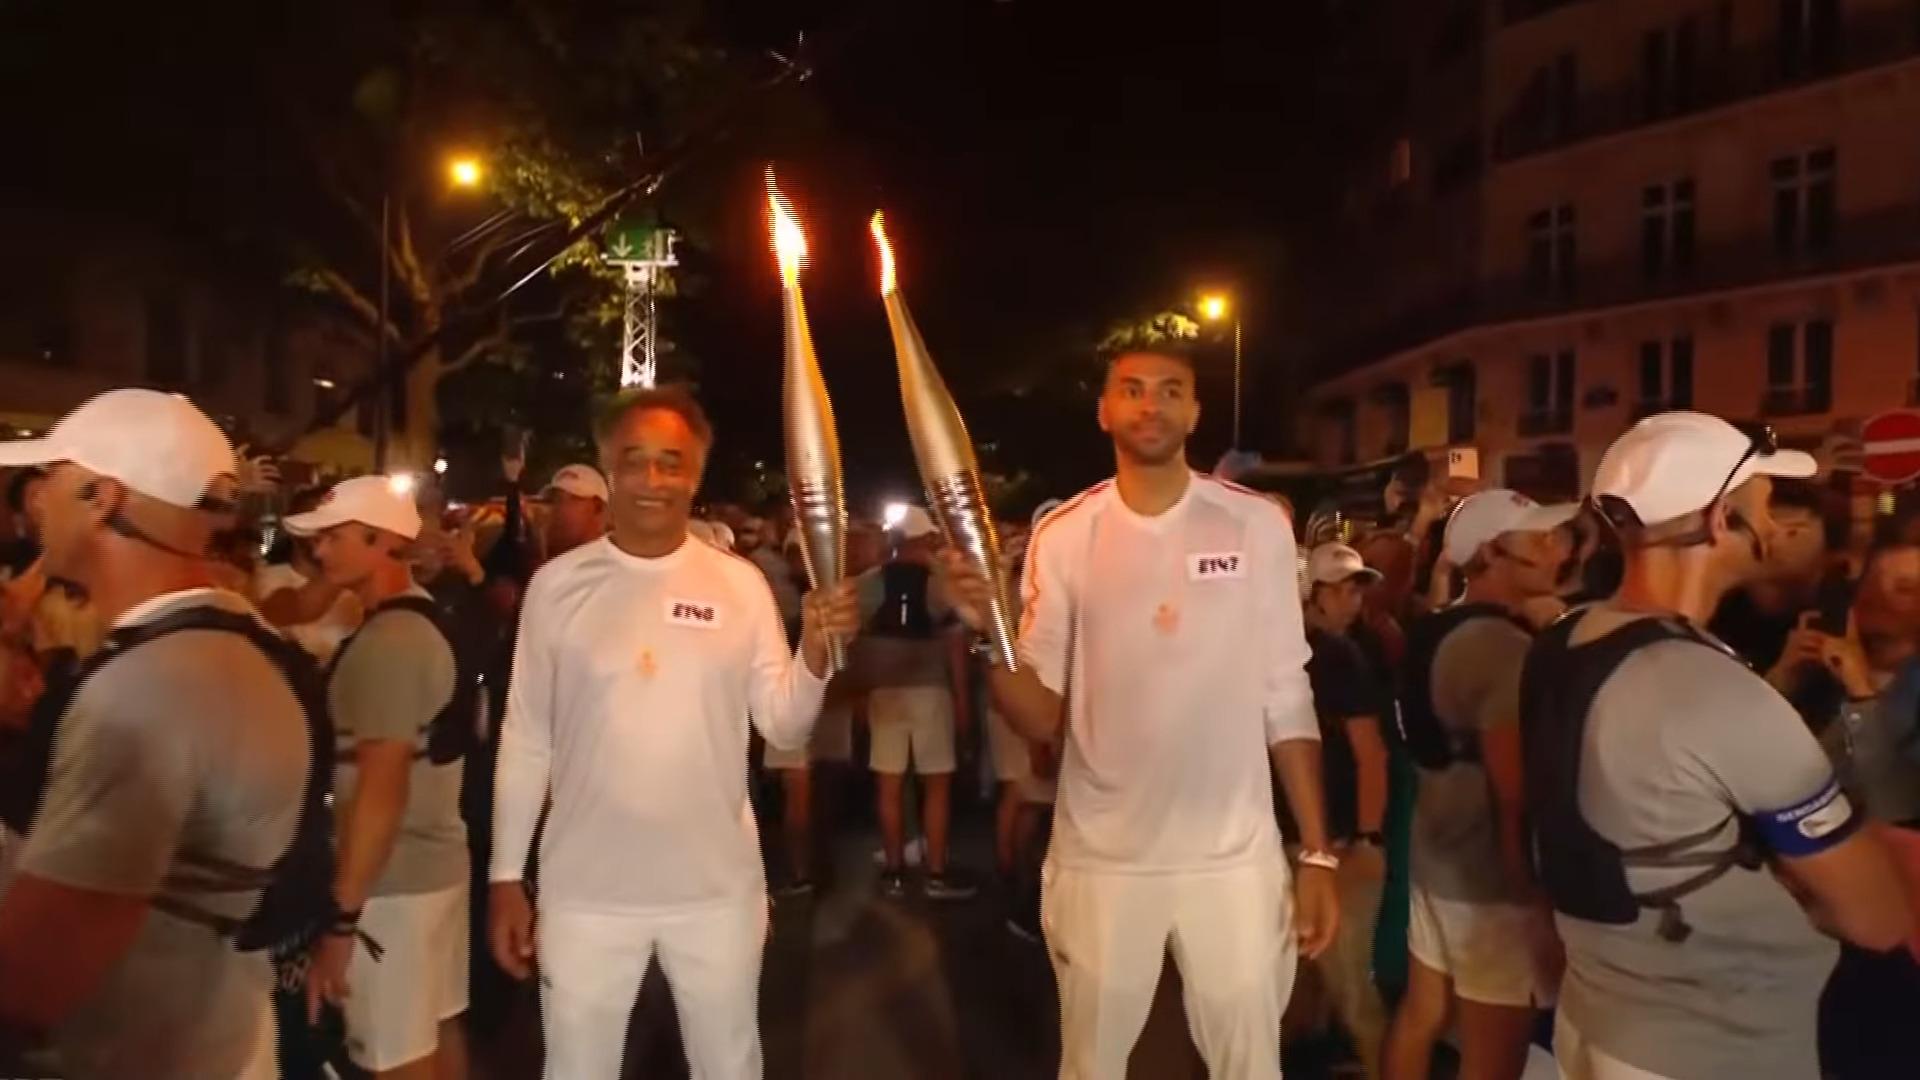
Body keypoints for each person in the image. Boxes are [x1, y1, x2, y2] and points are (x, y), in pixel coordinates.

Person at [944, 347, 1339, 1080]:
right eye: (1132, 390)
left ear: (1195, 412)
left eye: (1170, 391)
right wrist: (982, 631)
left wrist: (1315, 851)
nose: (1150, 405)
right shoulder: (1066, 536)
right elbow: (1038, 717)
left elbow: (1287, 692)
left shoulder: (1254, 526)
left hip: (1233, 859)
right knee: (1091, 1065)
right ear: (1105, 410)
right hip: (1102, 858)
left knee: (1250, 1066)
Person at [1522, 411, 1911, 1080]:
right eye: (1761, 501)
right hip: (1713, 1045)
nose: (1777, 524)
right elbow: (1878, 917)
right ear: (1716, 520)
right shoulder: (1713, 691)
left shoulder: (1563, 640)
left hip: (1594, 1022)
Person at [488, 388, 859, 1079]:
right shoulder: (557, 588)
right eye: (635, 462)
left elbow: (781, 721)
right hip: (585, 892)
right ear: (608, 468)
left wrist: (813, 654)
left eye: (671, 463)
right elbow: (527, 736)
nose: (653, 480)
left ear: (695, 473)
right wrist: (507, 876)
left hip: (714, 892)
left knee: (729, 1066)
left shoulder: (739, 585)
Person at [0, 389, 307, 1079]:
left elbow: (32, 981)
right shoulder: (248, 644)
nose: (34, 500)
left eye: (50, 476)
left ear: (101, 498)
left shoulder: (146, 689)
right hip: (217, 1035)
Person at [1382, 489, 1575, 1080]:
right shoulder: (1501, 649)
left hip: (1435, 855)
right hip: (1489, 881)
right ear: (1492, 553)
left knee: (1423, 1014)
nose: (1555, 550)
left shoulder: (1438, 628)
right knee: (1494, 1056)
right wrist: (1531, 897)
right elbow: (1513, 793)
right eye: (1537, 540)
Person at [282, 476, 468, 1079]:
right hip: (432, 872)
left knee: (394, 1057)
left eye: (333, 538)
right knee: (436, 1035)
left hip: (393, 889)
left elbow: (381, 794)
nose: (320, 553)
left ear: (380, 540)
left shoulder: (388, 642)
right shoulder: (417, 623)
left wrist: (342, 920)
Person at [1297, 543, 1392, 1079]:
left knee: (1346, 985)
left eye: (1359, 587)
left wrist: (1368, 839)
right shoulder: (1328, 653)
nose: (1355, 599)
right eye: (1343, 588)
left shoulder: (1342, 652)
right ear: (1314, 595)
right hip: (1322, 843)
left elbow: (1369, 753)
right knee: (1342, 987)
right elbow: (1368, 753)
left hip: (1328, 842)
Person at [763, 517, 880, 898]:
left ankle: (814, 865)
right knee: (799, 790)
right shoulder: (775, 597)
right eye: (794, 554)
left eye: (805, 553)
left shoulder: (835, 598)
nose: (800, 560)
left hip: (830, 705)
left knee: (824, 784)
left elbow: (854, 656)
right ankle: (802, 871)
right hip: (789, 702)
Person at [865, 505, 977, 900]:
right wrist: (963, 706)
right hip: (930, 690)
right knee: (936, 787)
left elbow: (857, 640)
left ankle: (894, 871)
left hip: (884, 693)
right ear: (925, 538)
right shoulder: (940, 583)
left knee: (889, 786)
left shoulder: (872, 580)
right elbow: (955, 647)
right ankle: (935, 872)